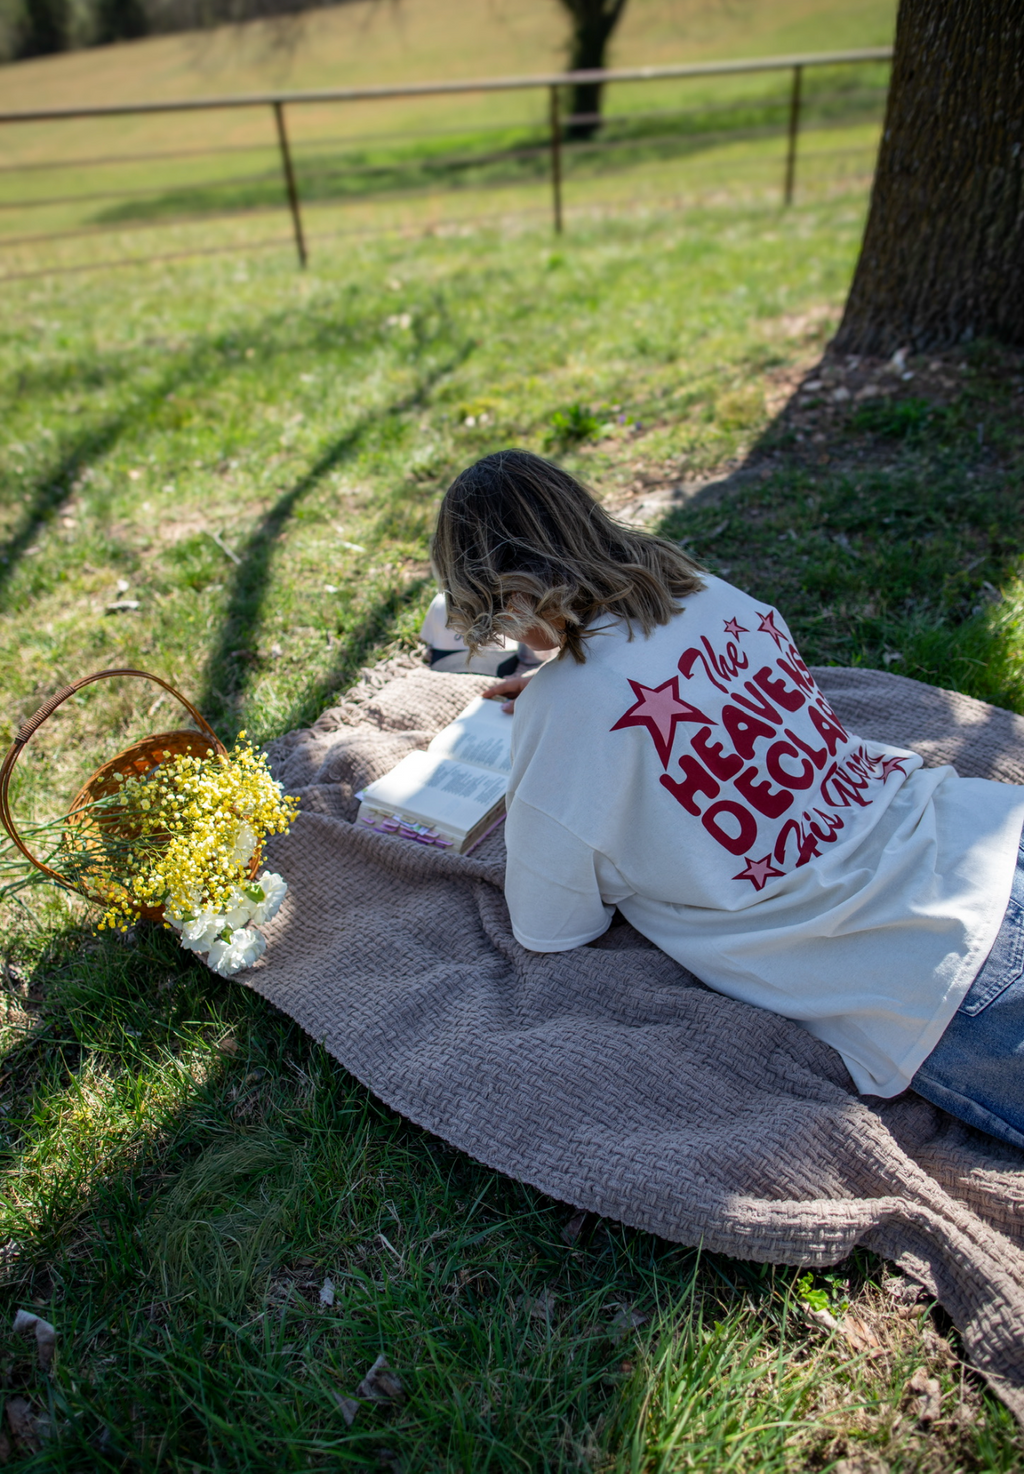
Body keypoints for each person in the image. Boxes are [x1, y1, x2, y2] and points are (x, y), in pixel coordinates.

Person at [430, 448, 1024, 1149]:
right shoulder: (709, 594)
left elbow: (550, 926)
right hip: (980, 843)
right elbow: (656, 682)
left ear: (507, 596)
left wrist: (562, 718)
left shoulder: (565, 713)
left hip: (931, 979)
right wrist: (574, 698)